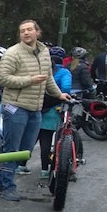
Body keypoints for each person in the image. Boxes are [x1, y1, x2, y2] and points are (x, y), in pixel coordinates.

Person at [0, 20, 72, 201]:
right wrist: (29, 80)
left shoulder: (44, 53)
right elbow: (2, 79)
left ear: (37, 32)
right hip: (15, 107)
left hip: (36, 108)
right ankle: (7, 186)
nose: (26, 33)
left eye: (29, 30)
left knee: (25, 149)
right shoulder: (13, 53)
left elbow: (48, 78)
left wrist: (59, 94)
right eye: (22, 31)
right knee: (12, 148)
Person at [35, 48, 73, 180]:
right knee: (46, 139)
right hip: (53, 108)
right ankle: (45, 170)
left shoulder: (40, 69)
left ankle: (20, 165)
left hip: (36, 106)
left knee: (31, 138)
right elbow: (66, 88)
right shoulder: (64, 72)